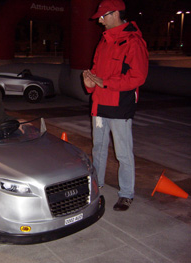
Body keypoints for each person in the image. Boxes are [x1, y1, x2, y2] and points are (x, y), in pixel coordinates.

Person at [83, 0, 148, 211]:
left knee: (123, 153)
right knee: (98, 149)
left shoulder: (133, 42)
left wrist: (106, 82)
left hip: (120, 107)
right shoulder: (103, 42)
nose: (100, 21)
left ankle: (126, 193)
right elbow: (95, 71)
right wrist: (90, 84)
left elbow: (138, 77)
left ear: (116, 14)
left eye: (103, 16)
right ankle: (96, 184)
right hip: (99, 106)